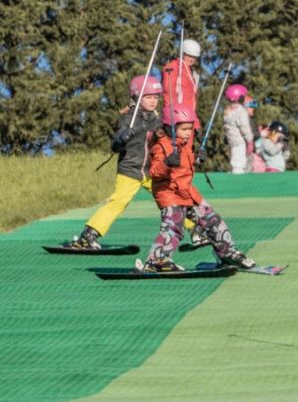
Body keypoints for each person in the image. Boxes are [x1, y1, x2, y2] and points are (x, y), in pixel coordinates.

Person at [142, 104, 256, 273]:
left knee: (212, 220)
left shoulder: (184, 145)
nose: (189, 133)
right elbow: (154, 172)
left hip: (188, 192)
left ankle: (227, 253)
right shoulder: (161, 146)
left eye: (190, 128)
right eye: (184, 129)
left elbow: (184, 166)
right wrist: (167, 163)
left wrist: (196, 159)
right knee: (173, 227)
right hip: (170, 193)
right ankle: (157, 260)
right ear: (170, 128)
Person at [64, 76, 165, 249]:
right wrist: (122, 138)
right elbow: (115, 145)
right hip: (130, 169)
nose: (153, 101)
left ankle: (195, 228)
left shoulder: (156, 119)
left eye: (156, 97)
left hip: (151, 170)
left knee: (168, 197)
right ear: (137, 97)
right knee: (119, 201)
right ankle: (89, 235)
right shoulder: (129, 118)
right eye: (148, 97)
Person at [161, 38, 201, 129]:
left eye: (194, 57)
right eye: (189, 56)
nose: (191, 59)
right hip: (177, 117)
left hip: (189, 118)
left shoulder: (190, 72)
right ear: (182, 53)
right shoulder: (173, 67)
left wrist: (195, 121)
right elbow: (168, 92)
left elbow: (191, 99)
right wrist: (170, 116)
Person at [223, 84, 254, 174]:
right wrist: (250, 141)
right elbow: (245, 127)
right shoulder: (240, 111)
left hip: (232, 140)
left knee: (234, 159)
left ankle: (235, 172)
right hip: (239, 140)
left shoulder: (227, 111)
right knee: (239, 162)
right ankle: (237, 179)